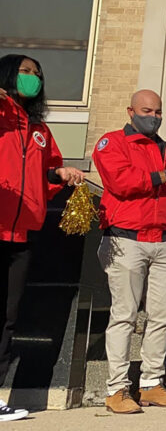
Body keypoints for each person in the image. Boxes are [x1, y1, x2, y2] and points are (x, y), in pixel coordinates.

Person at [92, 89, 166, 414]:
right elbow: (121, 182)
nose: (153, 116)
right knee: (124, 314)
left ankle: (152, 384)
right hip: (124, 239)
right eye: (146, 110)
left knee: (163, 314)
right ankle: (116, 390)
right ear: (130, 111)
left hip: (163, 239)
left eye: (158, 111)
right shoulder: (111, 143)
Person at [0, 54, 85, 422]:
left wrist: (59, 174)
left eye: (37, 74)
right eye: (25, 72)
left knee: (7, 318)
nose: (32, 79)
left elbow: (43, 177)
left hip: (22, 235)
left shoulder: (39, 130)